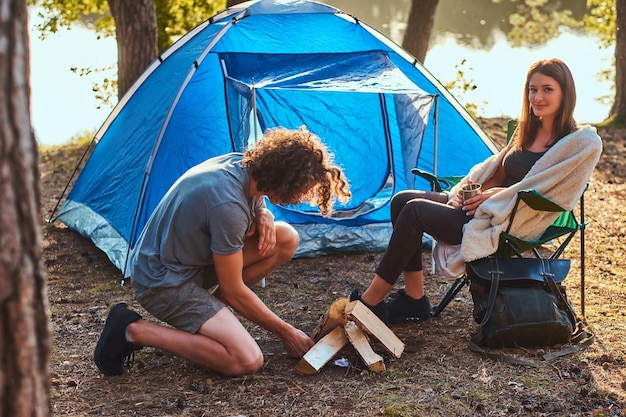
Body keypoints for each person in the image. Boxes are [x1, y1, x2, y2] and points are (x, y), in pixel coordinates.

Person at [350, 58, 603, 325]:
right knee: (402, 200)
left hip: (509, 219)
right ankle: (415, 298)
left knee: (414, 211)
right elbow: (499, 174)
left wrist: (491, 199)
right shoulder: (528, 130)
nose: (537, 97)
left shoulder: (578, 143)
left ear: (566, 92)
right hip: (483, 206)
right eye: (532, 89)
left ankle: (370, 302)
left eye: (547, 89)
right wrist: (470, 191)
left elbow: (550, 190)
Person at [94, 126, 351, 377]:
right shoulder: (228, 207)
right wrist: (287, 332)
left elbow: (249, 203)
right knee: (246, 360)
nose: (299, 198)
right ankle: (132, 330)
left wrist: (263, 212)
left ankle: (212, 318)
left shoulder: (243, 166)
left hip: (184, 262)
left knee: (285, 237)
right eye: (299, 189)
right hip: (162, 282)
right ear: (282, 178)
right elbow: (233, 289)